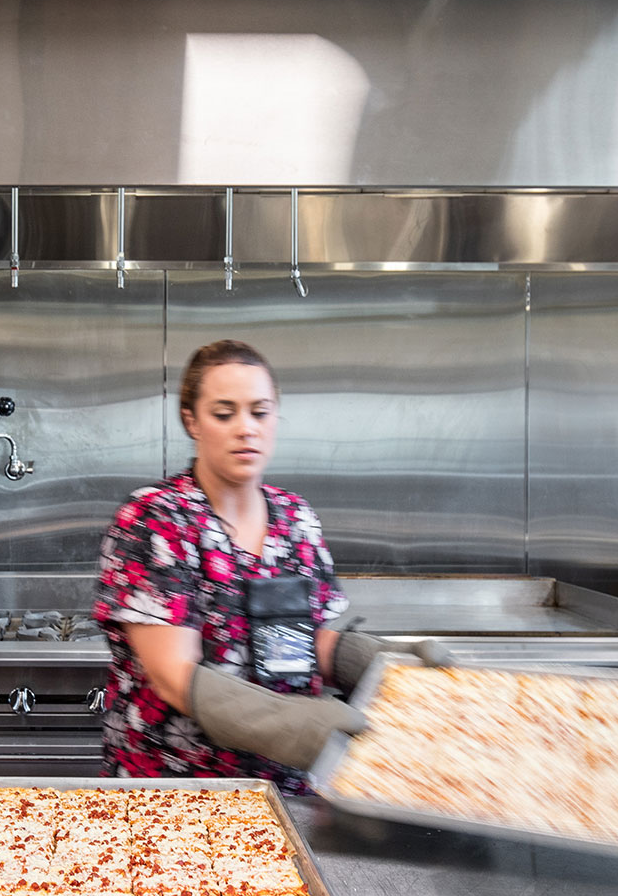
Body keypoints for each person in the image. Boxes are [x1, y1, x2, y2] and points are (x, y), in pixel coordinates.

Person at [92, 339, 444, 796]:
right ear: (191, 421)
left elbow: (303, 639)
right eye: (224, 413)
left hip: (285, 792)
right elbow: (173, 675)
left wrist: (384, 665)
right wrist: (291, 722)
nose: (246, 429)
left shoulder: (295, 518)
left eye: (259, 412)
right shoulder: (157, 519)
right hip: (176, 794)